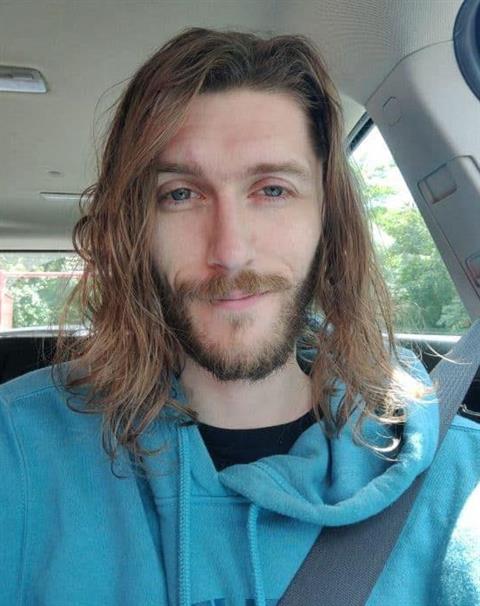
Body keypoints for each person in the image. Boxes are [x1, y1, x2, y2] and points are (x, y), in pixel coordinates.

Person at [1, 27, 479, 606]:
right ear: (136, 228)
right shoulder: (17, 451)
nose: (229, 251)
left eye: (272, 190)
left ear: (327, 218)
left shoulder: (458, 478)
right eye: (181, 194)